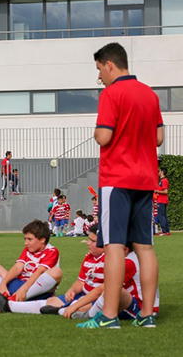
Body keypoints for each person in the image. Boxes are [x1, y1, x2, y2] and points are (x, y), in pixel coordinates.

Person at [92, 42, 163, 328]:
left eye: (99, 69)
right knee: (144, 247)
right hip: (145, 180)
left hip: (117, 180)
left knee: (114, 247)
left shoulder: (111, 94)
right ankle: (147, 315)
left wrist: (98, 130)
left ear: (110, 64)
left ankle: (109, 317)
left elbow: (103, 137)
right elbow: (158, 139)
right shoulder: (150, 94)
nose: (99, 76)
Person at [0, 225, 104, 316]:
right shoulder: (88, 257)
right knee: (51, 302)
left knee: (81, 305)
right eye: (89, 239)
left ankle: (64, 310)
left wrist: (77, 304)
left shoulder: (110, 260)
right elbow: (81, 281)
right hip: (82, 295)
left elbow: (102, 290)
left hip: (96, 298)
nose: (88, 243)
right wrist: (72, 290)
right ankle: (9, 304)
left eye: (93, 241)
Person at [0, 219, 62, 308]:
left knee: (57, 272)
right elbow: (18, 267)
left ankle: (10, 299)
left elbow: (40, 272)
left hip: (35, 289)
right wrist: (3, 283)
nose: (25, 243)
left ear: (42, 240)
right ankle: (4, 295)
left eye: (29, 239)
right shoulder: (29, 249)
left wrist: (24, 289)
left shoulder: (52, 251)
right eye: (25, 239)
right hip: (19, 284)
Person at [77, 247, 161, 328]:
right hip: (148, 308)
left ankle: (92, 315)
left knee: (113, 289)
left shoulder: (128, 262)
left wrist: (74, 307)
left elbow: (103, 288)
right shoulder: (139, 257)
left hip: (138, 308)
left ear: (125, 250)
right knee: (111, 290)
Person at [156, 168, 170, 236]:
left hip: (161, 200)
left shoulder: (164, 180)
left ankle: (164, 231)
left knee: (161, 216)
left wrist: (156, 191)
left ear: (162, 172)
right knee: (164, 216)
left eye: (159, 171)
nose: (158, 173)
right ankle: (167, 231)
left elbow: (165, 191)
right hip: (163, 200)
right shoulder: (162, 180)